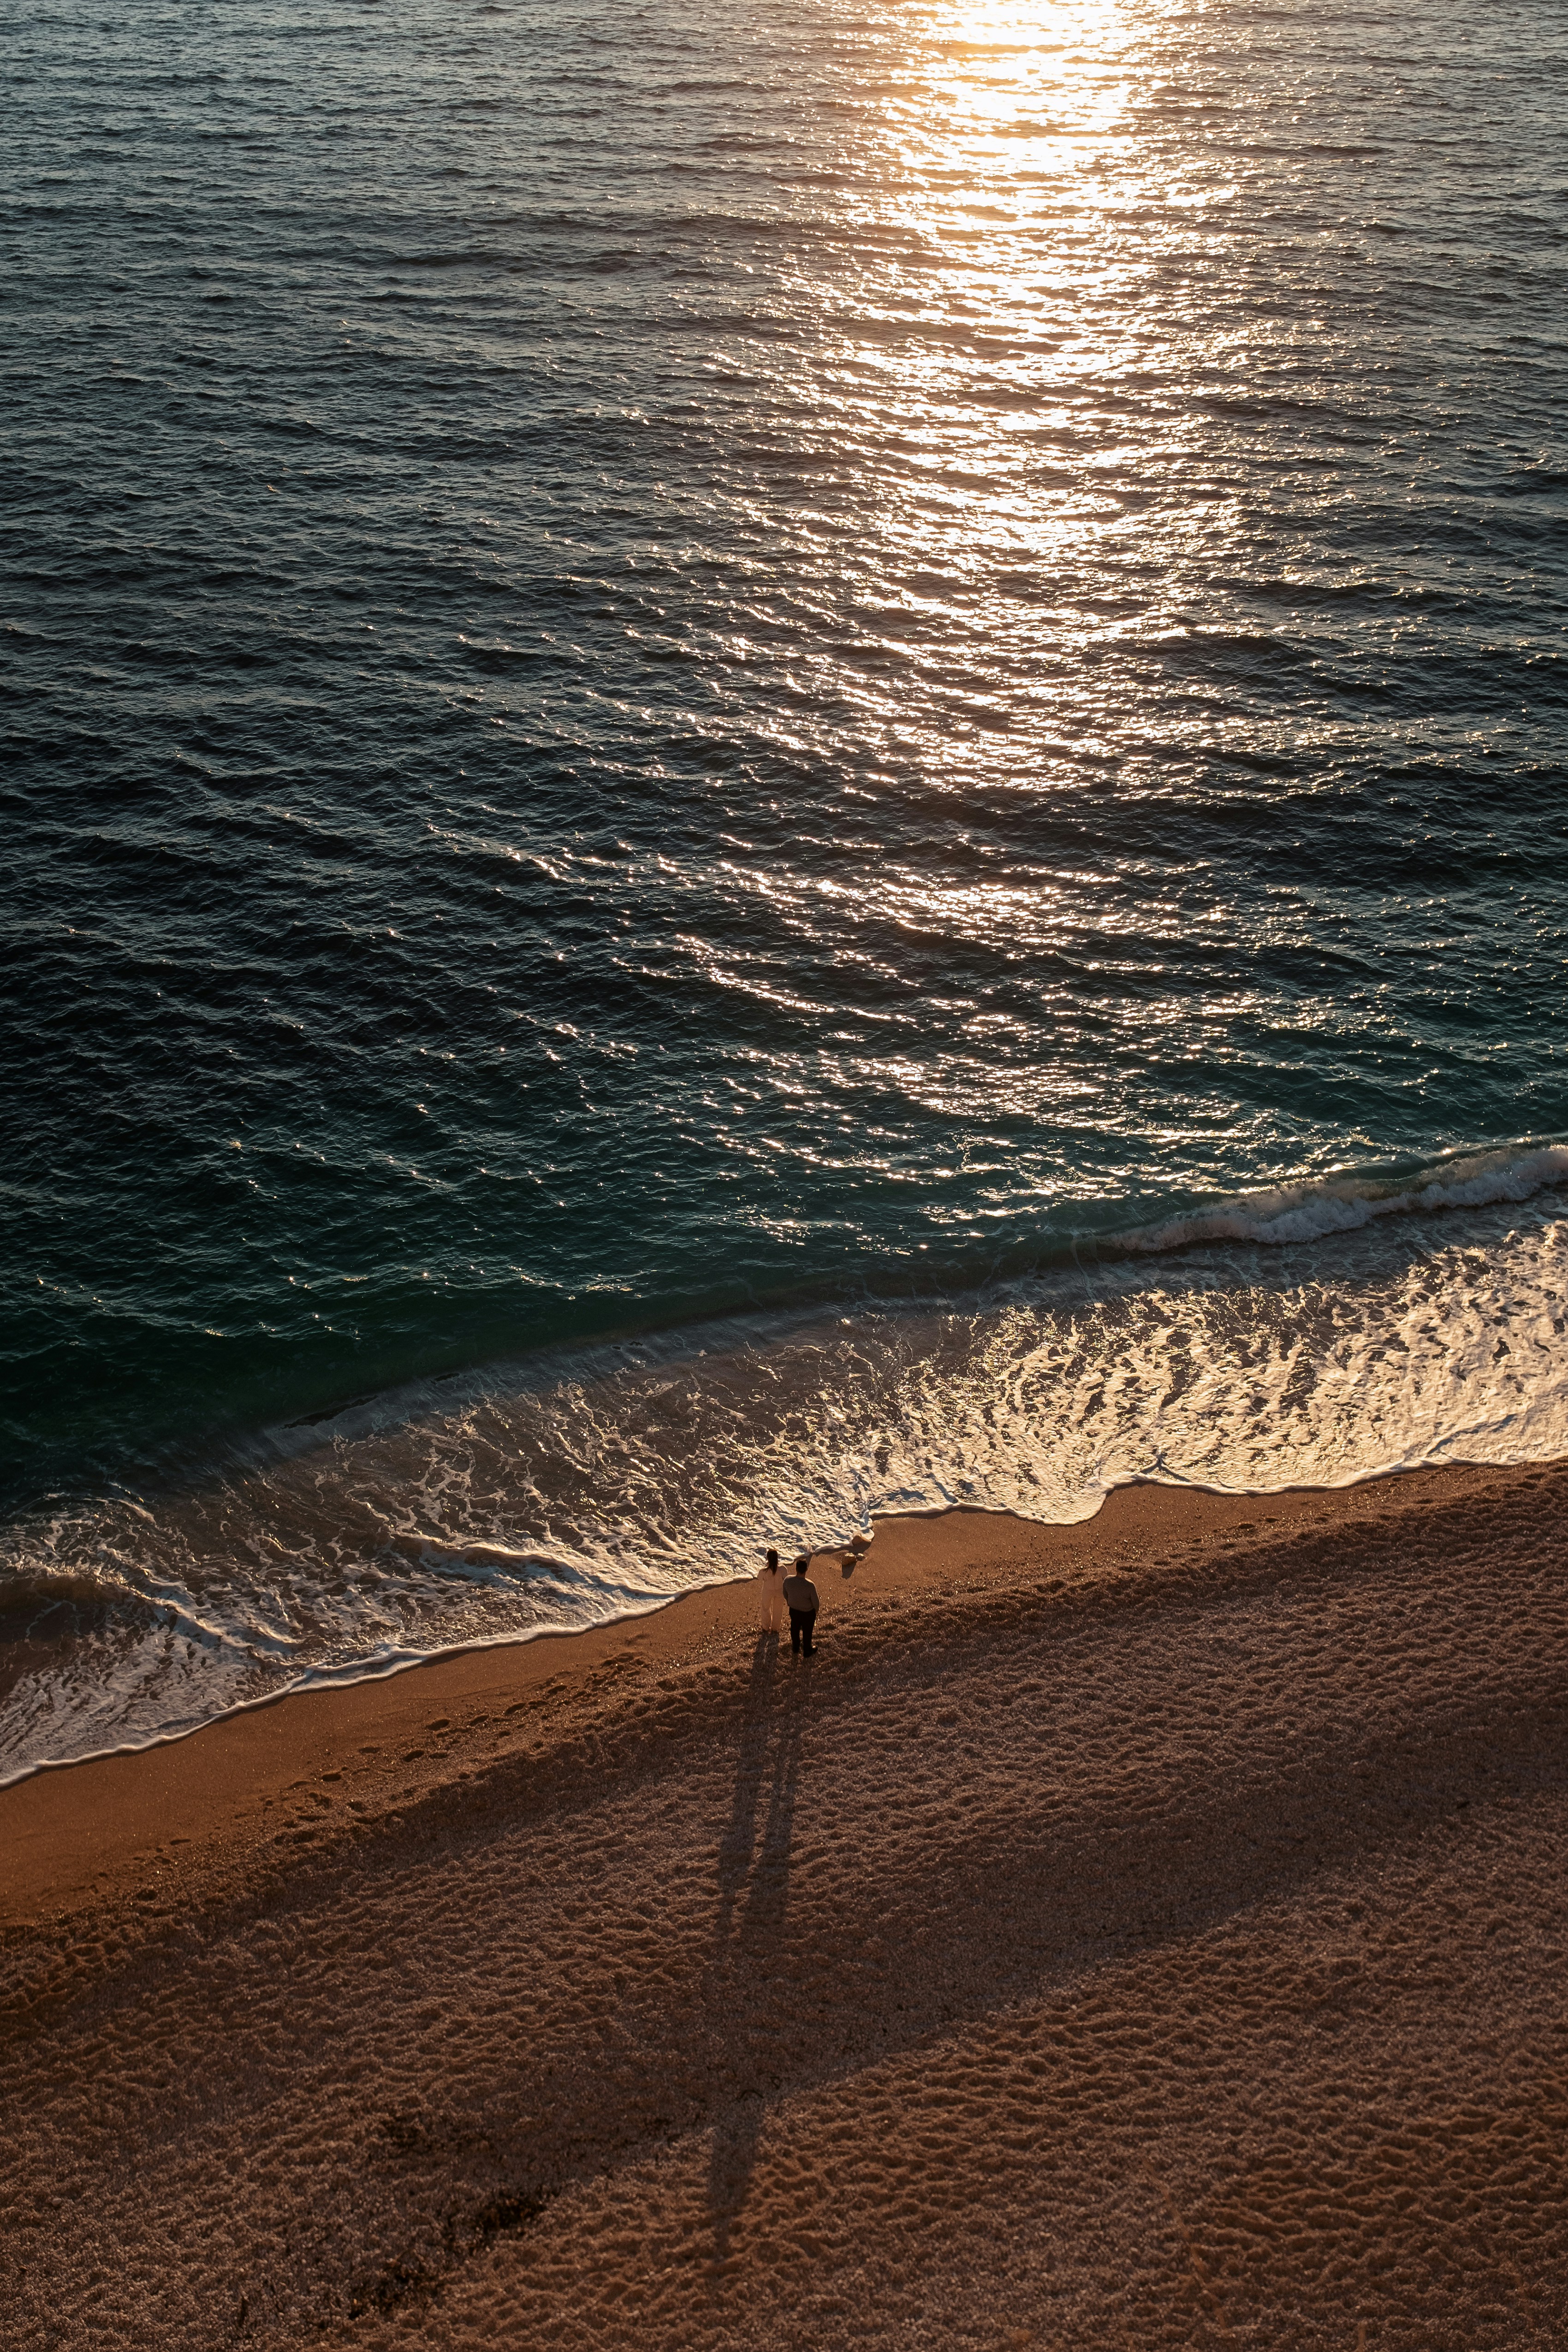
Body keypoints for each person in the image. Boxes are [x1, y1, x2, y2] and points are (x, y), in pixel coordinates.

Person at [782, 1555, 819, 1656]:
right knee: (807, 1632)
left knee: (795, 1629)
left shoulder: (788, 1580)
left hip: (794, 1610)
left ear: (796, 1569)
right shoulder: (810, 1585)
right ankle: (807, 1651)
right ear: (806, 1570)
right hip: (808, 1613)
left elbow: (784, 1592)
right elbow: (816, 1602)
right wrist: (816, 1610)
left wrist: (789, 1601)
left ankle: (796, 1648)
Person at [755, 1547, 785, 1633]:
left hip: (768, 1591)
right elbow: (786, 1577)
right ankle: (776, 1628)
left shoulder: (765, 1571)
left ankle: (766, 1626)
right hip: (780, 1590)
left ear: (768, 1558)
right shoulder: (782, 1569)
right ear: (777, 1558)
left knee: (765, 1608)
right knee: (778, 1609)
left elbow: (759, 1578)